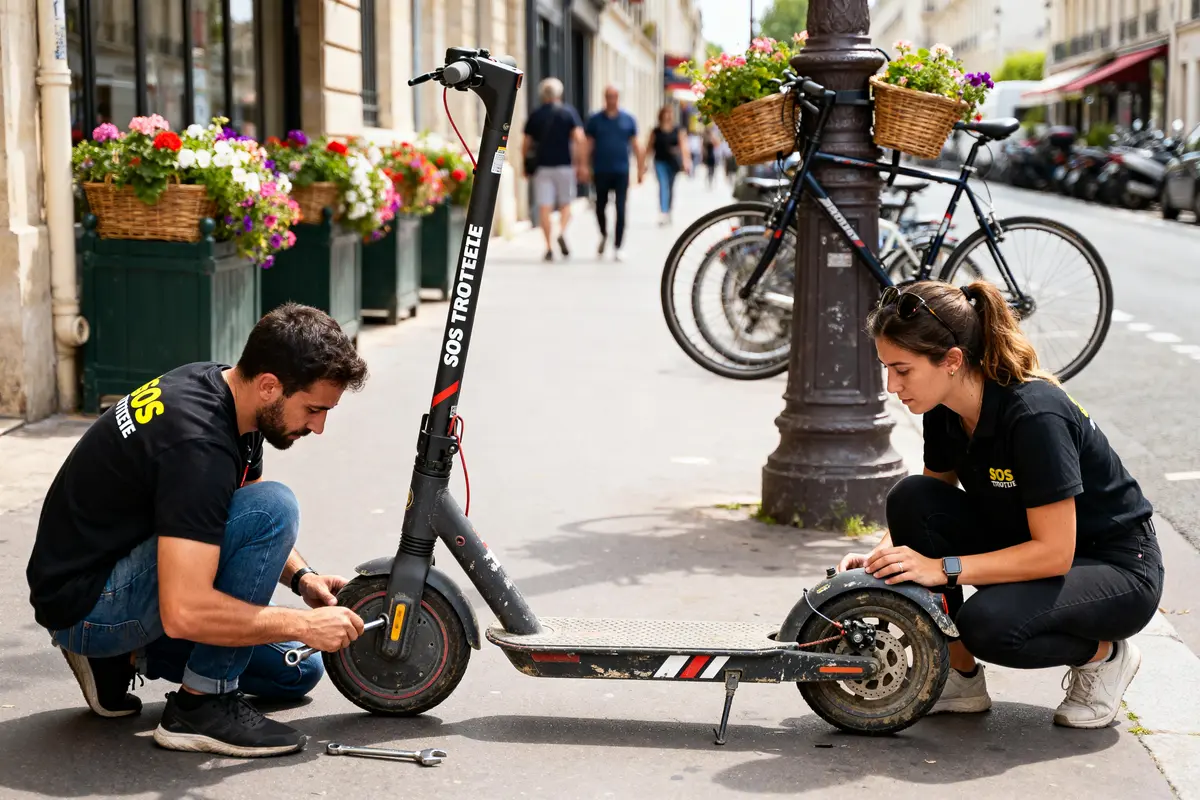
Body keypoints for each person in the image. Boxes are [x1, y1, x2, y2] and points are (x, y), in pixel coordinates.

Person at [26, 303, 371, 757]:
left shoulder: (229, 392)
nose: (319, 426)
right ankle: (201, 706)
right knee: (275, 507)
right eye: (313, 408)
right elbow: (186, 611)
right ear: (270, 386)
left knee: (294, 671)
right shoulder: (198, 444)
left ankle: (122, 657)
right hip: (90, 604)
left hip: (107, 571)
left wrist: (303, 580)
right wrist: (306, 624)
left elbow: (237, 510)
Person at [840, 280, 1163, 729]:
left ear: (951, 361)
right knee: (911, 496)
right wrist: (881, 558)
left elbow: (1055, 553)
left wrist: (944, 567)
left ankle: (1105, 657)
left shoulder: (1035, 416)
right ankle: (960, 675)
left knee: (988, 624)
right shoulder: (942, 405)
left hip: (1115, 567)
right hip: (1029, 541)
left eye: (902, 369)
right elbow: (925, 505)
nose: (891, 385)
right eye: (886, 368)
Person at [522, 77, 585, 262]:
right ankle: (561, 231)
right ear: (559, 94)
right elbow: (579, 138)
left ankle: (548, 247)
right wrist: (580, 163)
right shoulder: (568, 113)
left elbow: (526, 143)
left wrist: (525, 165)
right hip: (564, 166)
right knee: (566, 204)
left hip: (542, 167)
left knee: (545, 207)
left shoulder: (536, 114)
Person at [582, 85, 645, 262]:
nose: (611, 99)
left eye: (614, 96)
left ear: (618, 98)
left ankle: (618, 246)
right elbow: (588, 144)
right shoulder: (595, 120)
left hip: (621, 171)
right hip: (601, 170)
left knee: (620, 208)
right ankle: (603, 234)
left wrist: (641, 169)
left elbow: (636, 145)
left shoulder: (628, 120)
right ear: (604, 98)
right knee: (600, 206)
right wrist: (584, 166)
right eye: (608, 96)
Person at [646, 105, 691, 225]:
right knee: (662, 185)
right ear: (661, 115)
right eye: (665, 113)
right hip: (660, 162)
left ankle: (669, 210)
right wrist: (645, 163)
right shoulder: (655, 131)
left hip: (673, 163)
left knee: (670, 188)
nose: (668, 116)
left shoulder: (678, 130)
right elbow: (649, 147)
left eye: (669, 113)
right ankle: (663, 212)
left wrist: (686, 162)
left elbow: (683, 147)